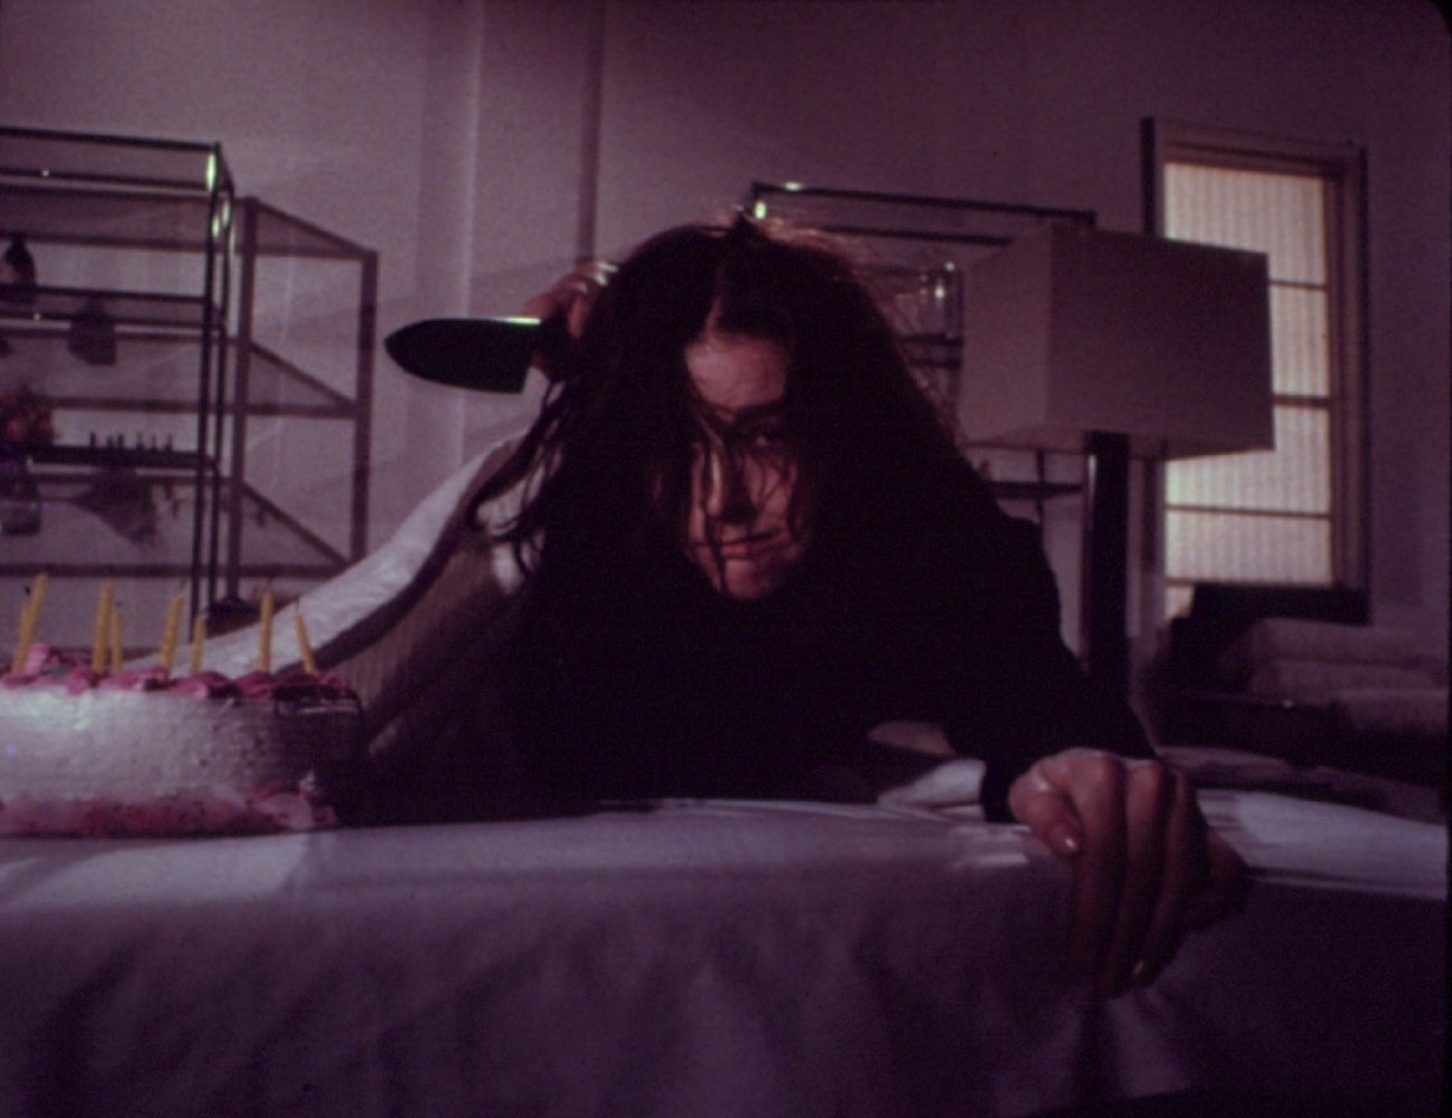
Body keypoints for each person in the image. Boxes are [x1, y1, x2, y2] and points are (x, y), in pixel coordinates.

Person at [471, 216, 1242, 997]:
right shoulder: (610, 542)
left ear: (843, 424)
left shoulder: (931, 530)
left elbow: (1033, 692)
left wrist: (1082, 768)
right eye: (677, 445)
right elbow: (567, 742)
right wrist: (602, 362)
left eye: (768, 435)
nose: (721, 500)